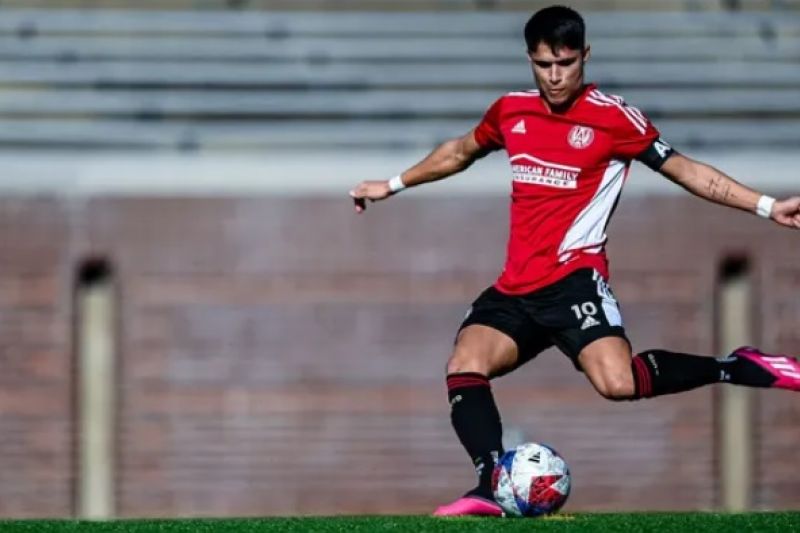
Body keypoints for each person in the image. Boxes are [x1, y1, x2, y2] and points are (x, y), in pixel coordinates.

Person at [348, 5, 800, 517]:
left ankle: (734, 366)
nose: (556, 76)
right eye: (544, 65)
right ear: (530, 60)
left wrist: (766, 206)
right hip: (516, 287)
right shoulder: (510, 112)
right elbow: (458, 151)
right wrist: (392, 184)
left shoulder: (613, 118)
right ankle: (492, 483)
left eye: (566, 63)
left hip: (574, 281)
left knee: (618, 384)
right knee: (464, 363)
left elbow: (688, 171)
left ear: (585, 55)